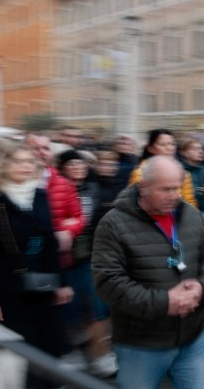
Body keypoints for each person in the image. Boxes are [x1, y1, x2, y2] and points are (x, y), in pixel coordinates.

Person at [92, 155, 204, 389]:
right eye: (166, 189)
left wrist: (201, 287)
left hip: (192, 337)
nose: (175, 195)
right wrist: (165, 302)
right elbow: (108, 282)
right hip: (141, 344)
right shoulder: (114, 223)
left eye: (178, 188)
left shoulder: (190, 215)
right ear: (143, 187)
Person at [0, 144, 74, 389]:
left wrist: (62, 282)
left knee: (48, 345)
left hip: (44, 284)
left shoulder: (41, 196)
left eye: (30, 161)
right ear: (5, 166)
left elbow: (50, 243)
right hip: (11, 288)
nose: (25, 166)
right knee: (22, 349)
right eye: (18, 161)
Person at [57, 149, 117, 377]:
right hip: (66, 257)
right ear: (62, 167)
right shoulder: (56, 190)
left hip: (91, 255)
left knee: (97, 305)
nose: (78, 168)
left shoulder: (93, 189)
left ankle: (100, 354)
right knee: (70, 307)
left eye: (81, 164)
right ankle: (73, 353)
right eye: (72, 164)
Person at [24, 133, 85, 269]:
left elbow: (78, 217)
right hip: (24, 257)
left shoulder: (64, 184)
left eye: (46, 148)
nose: (41, 152)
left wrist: (66, 231)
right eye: (36, 148)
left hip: (55, 258)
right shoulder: (15, 182)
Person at [129, 128, 198, 208]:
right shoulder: (141, 173)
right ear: (150, 148)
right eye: (163, 145)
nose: (169, 148)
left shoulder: (182, 172)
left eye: (171, 144)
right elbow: (135, 203)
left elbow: (190, 202)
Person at [179, 138, 204, 213]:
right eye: (194, 149)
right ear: (183, 153)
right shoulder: (178, 173)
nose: (200, 152)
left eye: (201, 149)